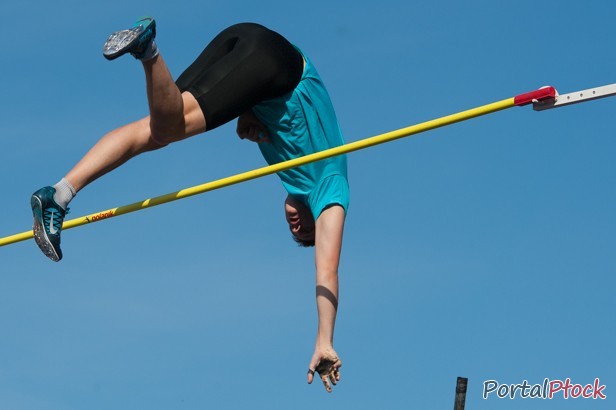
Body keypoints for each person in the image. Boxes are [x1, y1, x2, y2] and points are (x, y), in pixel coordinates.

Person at [30, 17, 348, 392]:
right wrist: (324, 339)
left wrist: (248, 112)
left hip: (253, 43)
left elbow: (300, 112)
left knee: (157, 128)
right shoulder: (330, 192)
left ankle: (58, 194)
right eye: (310, 229)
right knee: (170, 127)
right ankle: (148, 49)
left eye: (297, 233)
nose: (300, 227)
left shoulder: (291, 171)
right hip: (275, 66)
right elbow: (326, 273)